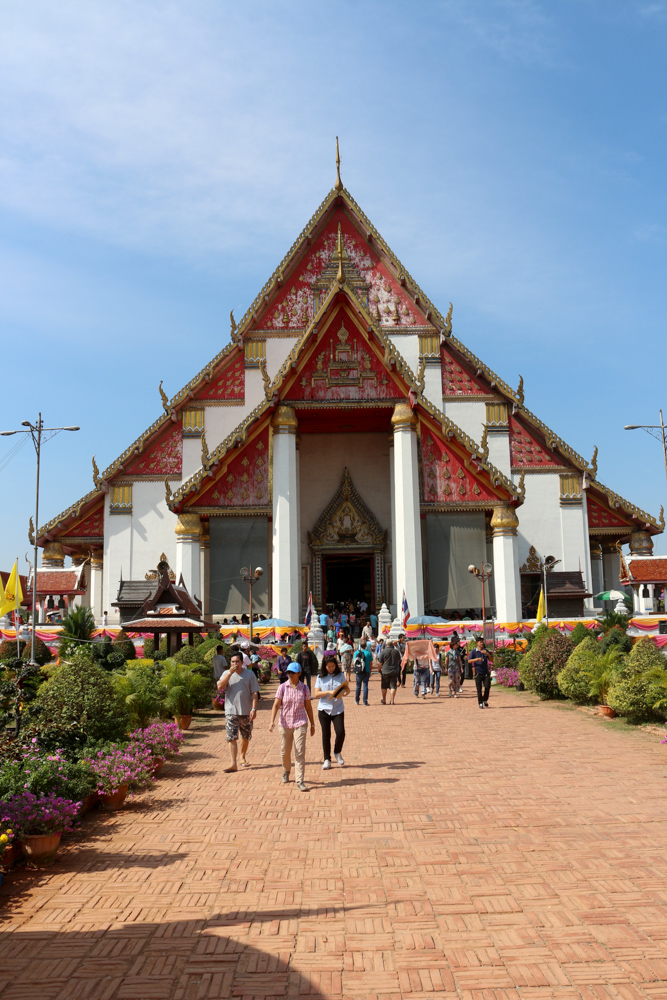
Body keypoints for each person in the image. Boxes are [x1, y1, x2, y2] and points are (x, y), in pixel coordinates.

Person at [269, 662, 315, 791]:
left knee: (299, 752)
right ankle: (286, 770)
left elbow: (309, 708)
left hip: (300, 722)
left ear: (299, 673)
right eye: (288, 672)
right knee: (285, 751)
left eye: (293, 672)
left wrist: (312, 724)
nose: (290, 674)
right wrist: (271, 721)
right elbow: (276, 705)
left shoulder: (305, 689)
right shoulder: (282, 688)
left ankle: (300, 780)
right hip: (285, 724)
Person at [217, 651, 260, 772]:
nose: (235, 664)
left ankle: (242, 756)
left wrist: (254, 709)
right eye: (232, 662)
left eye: (237, 661)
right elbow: (220, 687)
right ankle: (233, 763)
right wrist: (230, 673)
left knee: (245, 736)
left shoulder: (250, 674)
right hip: (231, 711)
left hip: (246, 710)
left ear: (242, 662)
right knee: (231, 737)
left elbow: (254, 693)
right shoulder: (226, 673)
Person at [313, 654, 349, 769]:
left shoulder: (341, 676)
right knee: (326, 734)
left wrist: (344, 692)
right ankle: (327, 759)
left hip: (338, 709)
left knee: (340, 732)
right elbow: (316, 693)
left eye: (333, 666)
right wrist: (328, 692)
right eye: (328, 666)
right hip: (324, 709)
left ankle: (337, 752)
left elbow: (347, 689)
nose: (331, 668)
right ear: (325, 666)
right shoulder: (320, 677)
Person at [468, 638, 493, 709]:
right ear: (477, 643)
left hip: (486, 672)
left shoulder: (485, 651)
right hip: (478, 673)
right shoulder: (474, 651)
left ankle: (485, 699)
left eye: (482, 642)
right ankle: (480, 702)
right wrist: (477, 659)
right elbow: (469, 661)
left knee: (487, 687)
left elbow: (492, 660)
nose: (482, 643)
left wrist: (487, 654)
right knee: (479, 689)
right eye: (480, 642)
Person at [378, 639, 401, 705]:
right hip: (394, 670)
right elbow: (399, 660)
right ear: (392, 644)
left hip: (385, 671)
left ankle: (384, 700)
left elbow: (380, 663)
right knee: (393, 686)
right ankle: (392, 700)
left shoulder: (383, 652)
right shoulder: (396, 652)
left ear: (386, 644)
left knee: (384, 686)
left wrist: (379, 669)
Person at [353, 639, 373, 706]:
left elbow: (354, 662)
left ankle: (356, 700)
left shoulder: (356, 653)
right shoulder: (368, 653)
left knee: (358, 686)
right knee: (365, 686)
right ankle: (365, 701)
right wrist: (370, 671)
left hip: (358, 671)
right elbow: (370, 663)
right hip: (366, 671)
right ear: (366, 645)